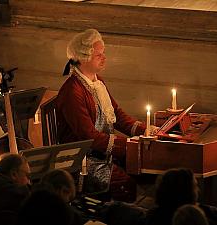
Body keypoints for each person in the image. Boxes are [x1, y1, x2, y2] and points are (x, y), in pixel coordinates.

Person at [56, 28, 154, 201]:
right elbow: (88, 136)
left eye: (103, 53)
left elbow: (116, 113)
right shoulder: (72, 91)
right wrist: (128, 145)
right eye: (98, 55)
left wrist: (144, 131)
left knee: (147, 167)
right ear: (84, 58)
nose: (104, 58)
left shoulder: (97, 81)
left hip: (102, 152)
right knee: (125, 183)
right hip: (83, 158)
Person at [145, 168, 217, 225]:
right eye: (195, 186)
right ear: (189, 191)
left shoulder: (152, 217)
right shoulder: (212, 214)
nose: (198, 190)